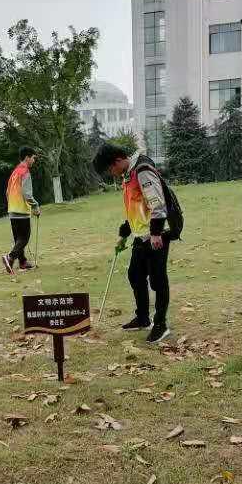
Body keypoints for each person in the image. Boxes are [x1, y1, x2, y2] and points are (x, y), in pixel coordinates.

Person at [92, 142, 178, 344]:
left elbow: (157, 203)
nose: (111, 174)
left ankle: (161, 325)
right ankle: (143, 318)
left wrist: (156, 232)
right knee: (135, 275)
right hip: (141, 235)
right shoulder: (128, 175)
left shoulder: (142, 171)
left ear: (117, 161)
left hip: (157, 235)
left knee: (157, 280)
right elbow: (135, 207)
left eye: (109, 170)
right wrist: (124, 233)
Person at [2, 146, 41, 274]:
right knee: (24, 238)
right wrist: (35, 206)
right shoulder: (25, 172)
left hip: (12, 210)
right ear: (27, 157)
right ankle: (10, 257)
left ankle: (23, 262)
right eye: (33, 158)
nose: (34, 160)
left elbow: (7, 192)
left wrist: (11, 205)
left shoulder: (15, 172)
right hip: (21, 210)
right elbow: (27, 194)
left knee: (18, 239)